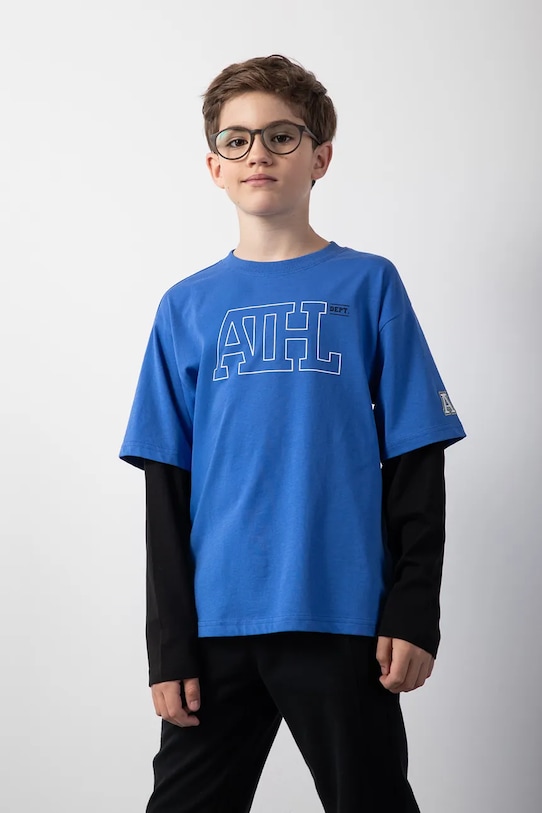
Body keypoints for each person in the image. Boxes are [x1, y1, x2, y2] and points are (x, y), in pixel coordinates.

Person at [119, 54, 466, 813]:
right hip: (217, 624)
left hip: (342, 614)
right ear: (214, 166)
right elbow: (166, 488)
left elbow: (415, 456)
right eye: (237, 139)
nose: (259, 154)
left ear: (321, 157)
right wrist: (169, 646)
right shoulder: (185, 307)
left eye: (282, 135)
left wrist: (414, 608)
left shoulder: (369, 284)